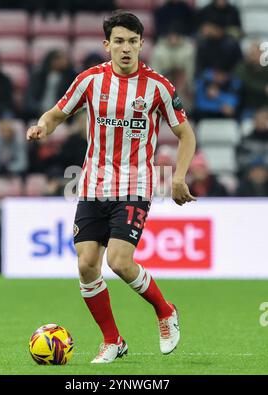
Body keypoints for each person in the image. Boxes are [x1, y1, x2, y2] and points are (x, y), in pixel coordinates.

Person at [26, 11, 196, 364]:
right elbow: (57, 113)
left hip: (135, 185)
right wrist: (42, 126)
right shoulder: (89, 81)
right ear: (107, 45)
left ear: (141, 44)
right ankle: (113, 341)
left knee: (119, 261)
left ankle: (165, 311)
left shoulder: (157, 86)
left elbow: (185, 134)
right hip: (91, 185)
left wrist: (178, 176)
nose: (126, 49)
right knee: (87, 265)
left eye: (132, 42)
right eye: (118, 41)